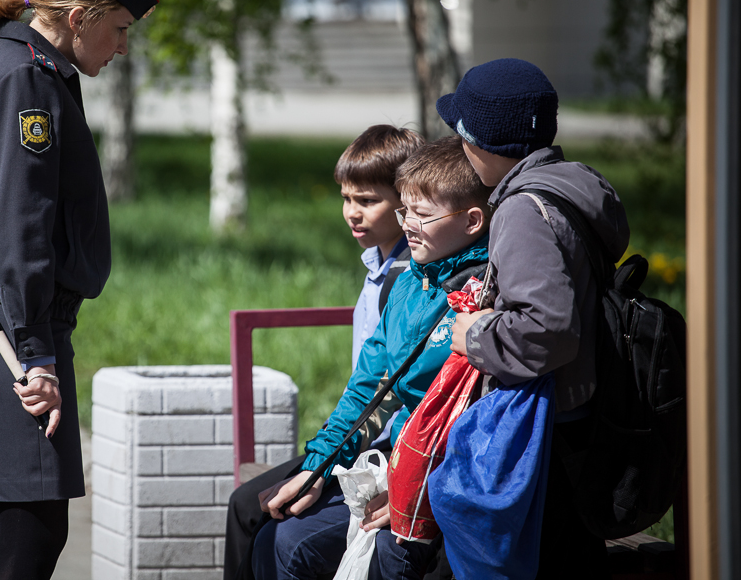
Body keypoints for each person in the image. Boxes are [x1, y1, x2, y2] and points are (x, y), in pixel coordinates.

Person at [0, 0, 167, 579]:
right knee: (32, 537)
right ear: (76, 17)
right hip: (12, 333)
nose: (123, 47)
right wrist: (35, 356)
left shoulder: (27, 71)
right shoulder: (26, 83)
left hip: (1, 322)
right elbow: (20, 231)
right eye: (120, 28)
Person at [252, 136, 492, 580]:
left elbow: (468, 420)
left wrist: (411, 490)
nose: (409, 226)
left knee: (297, 546)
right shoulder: (408, 282)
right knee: (274, 532)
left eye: (422, 214)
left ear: (474, 221)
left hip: (440, 481)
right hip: (399, 461)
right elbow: (367, 386)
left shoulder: (483, 296)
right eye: (406, 212)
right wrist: (317, 466)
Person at [446, 58, 630, 578]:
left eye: (462, 136)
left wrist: (474, 333)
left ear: (483, 142)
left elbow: (547, 328)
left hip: (548, 429)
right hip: (585, 414)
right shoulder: (574, 186)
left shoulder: (522, 210)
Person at [223, 124, 424, 580]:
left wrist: (334, 471)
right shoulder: (377, 264)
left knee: (280, 536)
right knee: (246, 506)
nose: (352, 213)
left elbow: (385, 394)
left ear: (407, 202)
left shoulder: (407, 278)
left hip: (379, 445)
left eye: (368, 201)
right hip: (355, 436)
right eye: (346, 198)